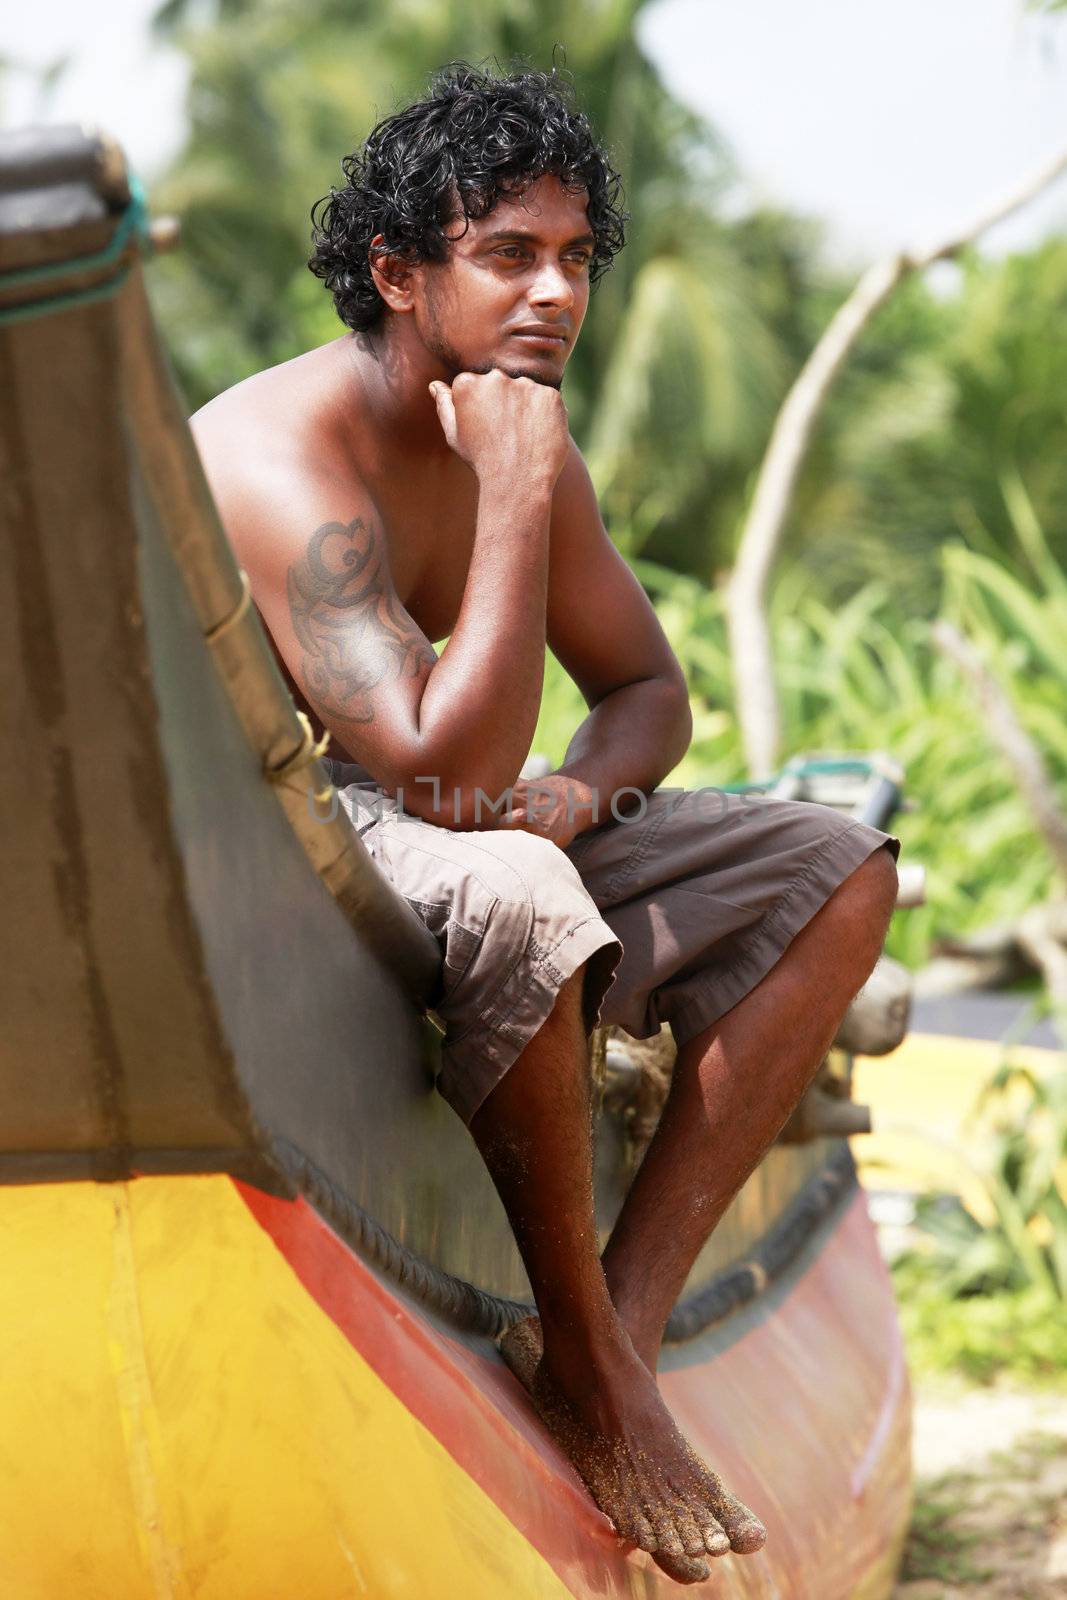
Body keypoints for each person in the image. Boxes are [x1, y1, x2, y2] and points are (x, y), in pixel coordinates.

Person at [192, 62, 900, 1585]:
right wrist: (509, 504)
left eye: (577, 258)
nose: (557, 295)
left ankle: (608, 1345)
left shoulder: (523, 434)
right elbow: (435, 784)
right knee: (512, 882)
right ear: (399, 274)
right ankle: (581, 1343)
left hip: (469, 806)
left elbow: (645, 688)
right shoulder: (280, 459)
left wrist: (580, 796)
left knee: (830, 865)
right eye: (509, 254)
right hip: (299, 832)